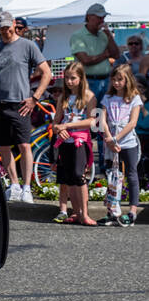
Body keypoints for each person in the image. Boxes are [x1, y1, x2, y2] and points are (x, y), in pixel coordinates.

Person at [0, 11, 52, 203]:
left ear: (14, 23)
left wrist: (35, 98)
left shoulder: (28, 45)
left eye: (8, 26)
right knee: (3, 146)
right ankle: (14, 185)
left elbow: (47, 72)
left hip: (20, 102)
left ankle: (27, 187)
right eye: (2, 27)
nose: (6, 30)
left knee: (24, 144)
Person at [52, 62, 98, 226]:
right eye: (67, 78)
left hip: (80, 140)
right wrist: (58, 128)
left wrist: (67, 126)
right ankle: (76, 212)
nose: (69, 82)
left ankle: (84, 213)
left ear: (81, 78)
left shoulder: (88, 96)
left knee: (79, 175)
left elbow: (92, 120)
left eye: (73, 78)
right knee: (70, 177)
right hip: (65, 141)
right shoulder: (63, 98)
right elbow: (56, 122)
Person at [99, 64, 143, 226]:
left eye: (120, 80)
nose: (116, 83)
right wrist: (109, 138)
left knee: (131, 175)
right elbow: (103, 120)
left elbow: (132, 123)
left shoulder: (134, 99)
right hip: (110, 142)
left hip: (128, 142)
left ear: (127, 80)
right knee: (112, 176)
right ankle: (112, 210)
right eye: (114, 79)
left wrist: (115, 139)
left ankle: (132, 211)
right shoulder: (108, 98)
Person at [69, 4, 119, 104]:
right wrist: (105, 55)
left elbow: (116, 55)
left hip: (106, 81)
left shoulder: (104, 34)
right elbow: (85, 60)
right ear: (89, 17)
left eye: (103, 18)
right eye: (99, 18)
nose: (102, 21)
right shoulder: (77, 36)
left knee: (103, 114)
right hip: (88, 81)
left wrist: (108, 34)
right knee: (90, 114)